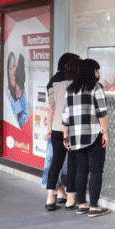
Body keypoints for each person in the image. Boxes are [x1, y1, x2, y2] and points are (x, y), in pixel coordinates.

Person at [62, 59, 110, 217]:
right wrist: (105, 132)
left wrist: (65, 136)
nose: (98, 73)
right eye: (97, 70)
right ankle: (94, 207)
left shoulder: (70, 89)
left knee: (81, 170)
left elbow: (66, 115)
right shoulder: (96, 87)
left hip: (76, 136)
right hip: (93, 135)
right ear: (91, 71)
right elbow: (101, 112)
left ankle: (82, 204)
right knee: (96, 170)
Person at [43, 53, 80, 210]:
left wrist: (49, 129)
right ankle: (70, 198)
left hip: (57, 128)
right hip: (73, 128)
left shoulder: (52, 81)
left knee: (55, 163)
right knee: (72, 163)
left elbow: (51, 108)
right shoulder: (77, 81)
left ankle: (50, 197)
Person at [6, 52, 28, 127]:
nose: (14, 70)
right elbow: (21, 119)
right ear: (8, 72)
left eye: (14, 66)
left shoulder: (21, 88)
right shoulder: (8, 92)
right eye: (11, 68)